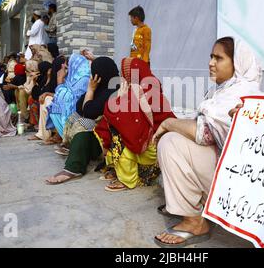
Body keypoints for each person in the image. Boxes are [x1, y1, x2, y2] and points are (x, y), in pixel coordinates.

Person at [153, 37, 262, 247]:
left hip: (240, 182)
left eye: (218, 58)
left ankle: (195, 221)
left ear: (236, 64)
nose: (211, 63)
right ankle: (197, 206)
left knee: (171, 142)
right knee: (175, 140)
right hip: (225, 170)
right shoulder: (222, 90)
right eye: (211, 57)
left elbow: (204, 133)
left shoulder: (242, 93)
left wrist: (168, 122)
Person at [46, 58, 175, 188]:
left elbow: (128, 126)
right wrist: (92, 90)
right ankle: (113, 168)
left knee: (113, 135)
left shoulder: (143, 94)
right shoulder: (132, 90)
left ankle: (128, 180)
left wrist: (119, 99)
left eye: (126, 74)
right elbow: (81, 108)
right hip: (141, 140)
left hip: (149, 148)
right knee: (102, 129)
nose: (123, 77)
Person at [47, 53, 90, 139]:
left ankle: (69, 139)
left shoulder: (84, 79)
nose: (66, 70)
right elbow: (62, 94)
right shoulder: (73, 77)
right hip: (74, 111)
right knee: (52, 107)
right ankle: (65, 138)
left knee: (55, 107)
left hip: (81, 114)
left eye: (67, 67)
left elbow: (71, 98)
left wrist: (59, 80)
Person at [29, 56, 66, 142]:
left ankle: (57, 133)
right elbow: (39, 93)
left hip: (66, 103)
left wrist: (46, 93)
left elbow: (63, 94)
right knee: (45, 100)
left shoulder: (66, 76)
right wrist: (48, 79)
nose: (66, 67)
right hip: (57, 99)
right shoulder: (51, 77)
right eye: (64, 64)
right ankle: (43, 134)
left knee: (47, 100)